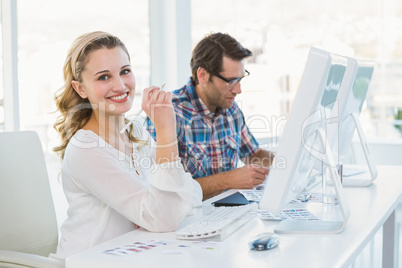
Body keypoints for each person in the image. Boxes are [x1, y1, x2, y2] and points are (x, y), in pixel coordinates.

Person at [50, 31, 202, 260]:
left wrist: (169, 197)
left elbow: (192, 196)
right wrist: (166, 132)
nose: (120, 85)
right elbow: (165, 217)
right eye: (103, 77)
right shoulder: (86, 149)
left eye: (125, 71)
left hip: (129, 256)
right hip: (89, 261)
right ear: (80, 88)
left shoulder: (135, 132)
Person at [145, 32, 274, 200]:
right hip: (189, 219)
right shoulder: (168, 113)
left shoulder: (231, 109)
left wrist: (288, 159)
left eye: (240, 79)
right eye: (231, 81)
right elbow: (165, 190)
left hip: (227, 212)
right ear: (202, 75)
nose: (238, 90)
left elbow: (252, 155)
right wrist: (227, 180)